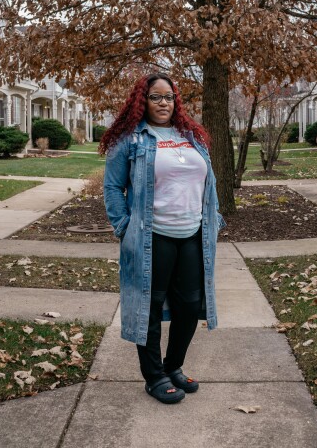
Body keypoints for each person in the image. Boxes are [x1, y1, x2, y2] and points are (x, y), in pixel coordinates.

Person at [101, 72, 225, 404]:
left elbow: (207, 183)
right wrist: (124, 227)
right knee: (150, 308)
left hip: (193, 233)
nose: (163, 103)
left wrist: (215, 220)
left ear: (176, 101)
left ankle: (173, 366)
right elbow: (113, 187)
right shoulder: (130, 139)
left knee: (189, 305)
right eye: (155, 97)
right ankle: (154, 376)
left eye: (168, 97)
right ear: (142, 100)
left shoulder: (192, 136)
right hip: (151, 236)